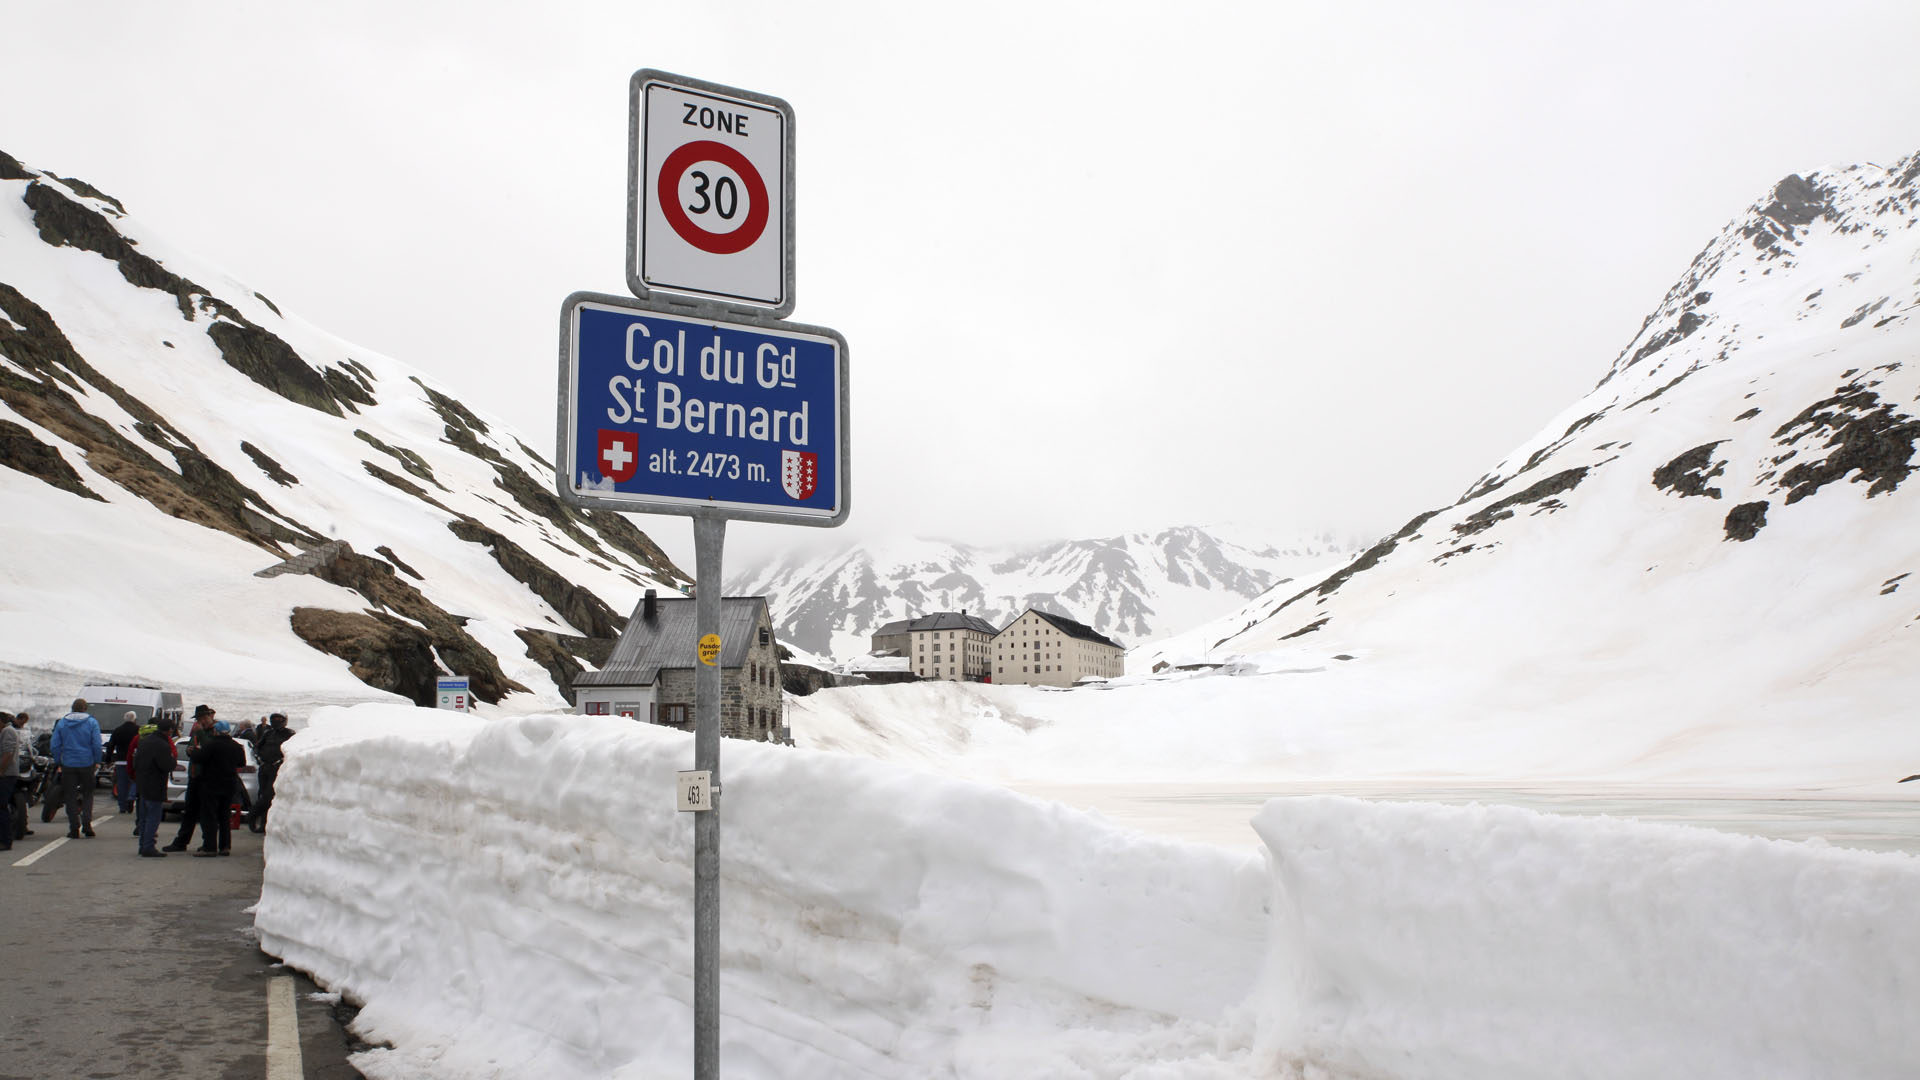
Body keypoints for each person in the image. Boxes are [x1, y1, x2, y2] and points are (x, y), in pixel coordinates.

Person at [162, 705, 218, 852]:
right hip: (194, 775)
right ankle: (181, 842)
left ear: (208, 717)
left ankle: (209, 845)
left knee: (207, 813)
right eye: (199, 719)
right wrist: (189, 750)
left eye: (202, 719)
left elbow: (211, 750)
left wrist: (200, 735)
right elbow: (192, 747)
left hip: (207, 777)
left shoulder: (214, 732)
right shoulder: (196, 732)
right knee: (189, 811)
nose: (200, 722)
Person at [48, 698, 103, 839]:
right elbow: (97, 744)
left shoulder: (62, 723)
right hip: (87, 763)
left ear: (72, 708)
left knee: (70, 796)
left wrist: (59, 760)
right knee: (88, 794)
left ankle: (74, 828)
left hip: (68, 764)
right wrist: (97, 760)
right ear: (85, 708)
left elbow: (54, 744)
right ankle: (87, 825)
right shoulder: (92, 722)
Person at [190, 720, 244, 857]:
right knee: (224, 815)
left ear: (216, 731)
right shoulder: (236, 746)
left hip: (211, 784)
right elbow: (242, 762)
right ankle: (225, 846)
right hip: (229, 784)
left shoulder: (211, 745)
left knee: (209, 816)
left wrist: (193, 752)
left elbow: (199, 758)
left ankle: (210, 847)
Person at [131, 715, 178, 857]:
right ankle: (148, 846)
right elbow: (166, 765)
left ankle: (143, 845)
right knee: (153, 817)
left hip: (142, 783)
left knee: (144, 817)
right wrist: (173, 761)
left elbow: (135, 762)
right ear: (169, 731)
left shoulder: (144, 741)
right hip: (155, 784)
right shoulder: (163, 745)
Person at [249, 712, 294, 833]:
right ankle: (263, 824)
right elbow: (256, 748)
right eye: (274, 718)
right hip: (265, 768)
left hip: (277, 770)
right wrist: (260, 760)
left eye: (279, 718)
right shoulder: (268, 733)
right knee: (263, 794)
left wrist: (281, 761)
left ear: (284, 720)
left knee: (268, 796)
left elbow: (293, 750)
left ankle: (253, 816)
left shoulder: (290, 734)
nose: (276, 721)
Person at [106, 712, 139, 814]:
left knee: (121, 784)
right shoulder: (138, 730)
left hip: (120, 760)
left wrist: (108, 759)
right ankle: (131, 796)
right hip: (134, 760)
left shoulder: (117, 730)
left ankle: (122, 806)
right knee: (135, 780)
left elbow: (110, 745)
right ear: (134, 719)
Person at [7, 712, 30, 842]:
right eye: (23, 721)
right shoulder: (9, 731)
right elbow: (8, 752)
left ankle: (24, 824)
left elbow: (27, 744)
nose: (23, 723)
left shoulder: (22, 731)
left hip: (15, 767)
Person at [0, 709, 19, 851]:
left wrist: (0, 771)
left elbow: (8, 753)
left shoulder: (8, 732)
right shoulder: (5, 731)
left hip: (6, 775)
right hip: (4, 774)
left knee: (1, 807)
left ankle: (5, 840)